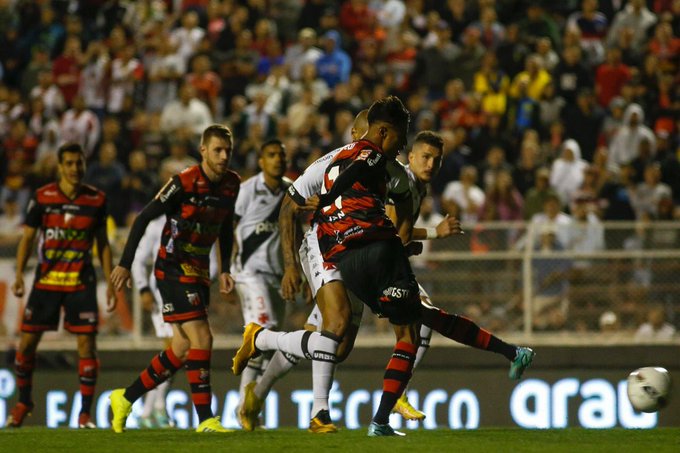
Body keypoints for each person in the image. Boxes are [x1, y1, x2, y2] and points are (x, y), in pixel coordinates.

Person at [109, 124, 240, 434]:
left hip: (198, 271)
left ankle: (125, 398)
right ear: (203, 150)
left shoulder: (232, 184)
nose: (223, 157)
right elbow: (143, 218)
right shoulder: (183, 182)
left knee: (181, 348)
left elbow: (223, 227)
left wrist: (224, 269)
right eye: (217, 150)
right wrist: (125, 264)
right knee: (203, 338)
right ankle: (206, 419)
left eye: (228, 151)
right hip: (171, 269)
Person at [5, 143, 116, 429]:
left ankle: (85, 414)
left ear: (84, 164)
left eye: (79, 163)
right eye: (69, 163)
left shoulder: (96, 199)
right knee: (27, 345)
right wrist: (18, 274)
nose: (75, 169)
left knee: (86, 346)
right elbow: (28, 239)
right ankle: (24, 401)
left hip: (81, 282)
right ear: (59, 167)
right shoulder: (42, 197)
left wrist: (111, 284)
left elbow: (103, 244)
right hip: (47, 281)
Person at [231, 138, 291, 427]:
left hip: (277, 276)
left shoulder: (292, 191)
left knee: (270, 343)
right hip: (248, 274)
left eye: (281, 155)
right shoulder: (245, 192)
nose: (278, 160)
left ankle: (250, 407)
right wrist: (224, 272)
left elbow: (297, 232)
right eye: (271, 155)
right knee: (261, 334)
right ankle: (244, 407)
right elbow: (227, 230)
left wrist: (298, 272)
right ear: (261, 161)